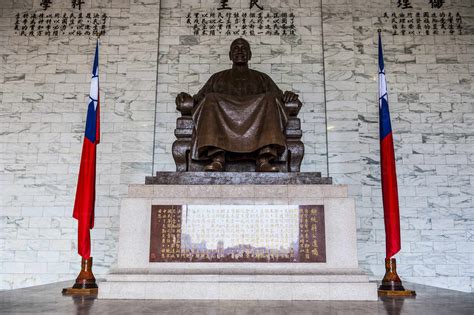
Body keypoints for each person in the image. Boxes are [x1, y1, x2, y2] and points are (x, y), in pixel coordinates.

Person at [176, 38, 299, 172]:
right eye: (236, 48)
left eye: (243, 48)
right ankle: (217, 158)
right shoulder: (217, 78)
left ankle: (263, 159)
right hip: (221, 119)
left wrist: (289, 97)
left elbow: (279, 98)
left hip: (258, 120)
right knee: (210, 98)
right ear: (230, 55)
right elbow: (198, 100)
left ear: (250, 55)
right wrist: (185, 97)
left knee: (270, 98)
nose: (240, 51)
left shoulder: (262, 78)